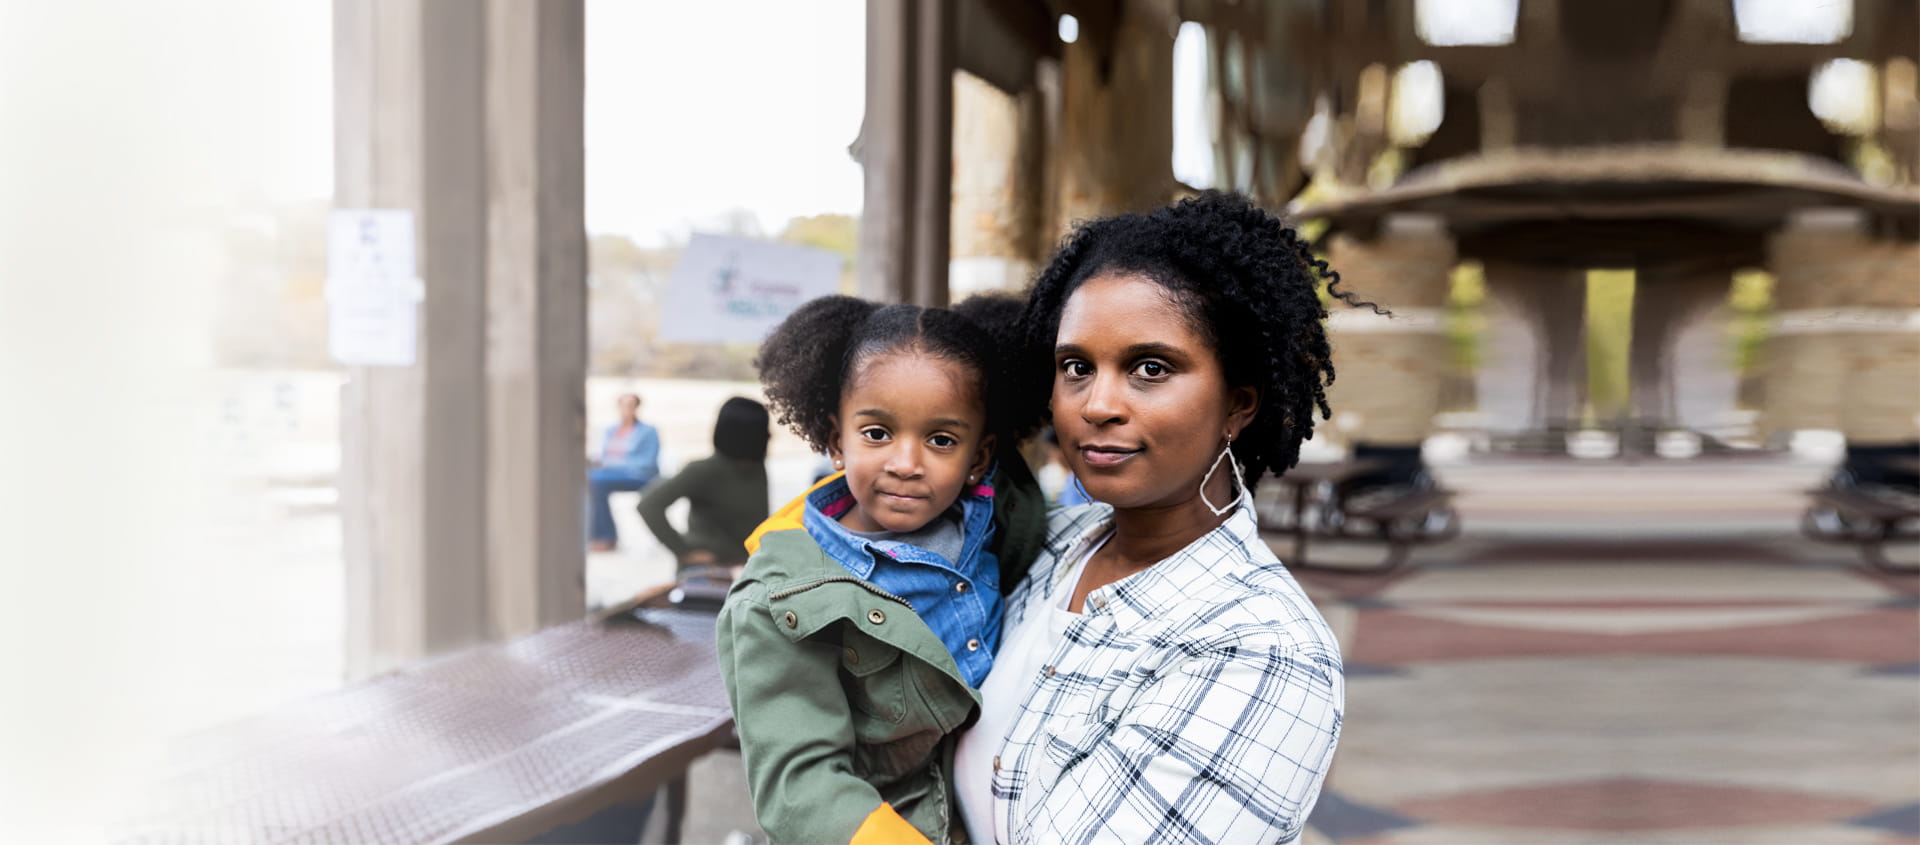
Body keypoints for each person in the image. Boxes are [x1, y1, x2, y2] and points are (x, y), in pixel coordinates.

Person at [955, 191, 1367, 844]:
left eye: (1151, 367)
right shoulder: (1039, 551)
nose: (1098, 404)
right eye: (1076, 367)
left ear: (1238, 404)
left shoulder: (1260, 646)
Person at [717, 295, 1046, 845]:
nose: (905, 463)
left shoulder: (998, 515)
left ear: (981, 458)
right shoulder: (781, 601)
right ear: (834, 441)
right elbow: (801, 784)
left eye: (941, 440)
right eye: (876, 433)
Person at [637, 397, 772, 569]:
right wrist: (684, 552)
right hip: (710, 569)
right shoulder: (704, 470)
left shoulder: (757, 468)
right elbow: (649, 505)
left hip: (747, 565)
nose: (769, 436)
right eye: (763, 431)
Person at [587, 393, 662, 552]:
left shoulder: (648, 431)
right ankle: (594, 534)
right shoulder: (610, 430)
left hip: (639, 476)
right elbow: (604, 456)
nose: (628, 409)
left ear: (637, 407)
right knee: (589, 478)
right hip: (611, 475)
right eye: (624, 405)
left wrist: (610, 465)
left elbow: (647, 463)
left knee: (595, 481)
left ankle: (605, 536)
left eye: (631, 405)